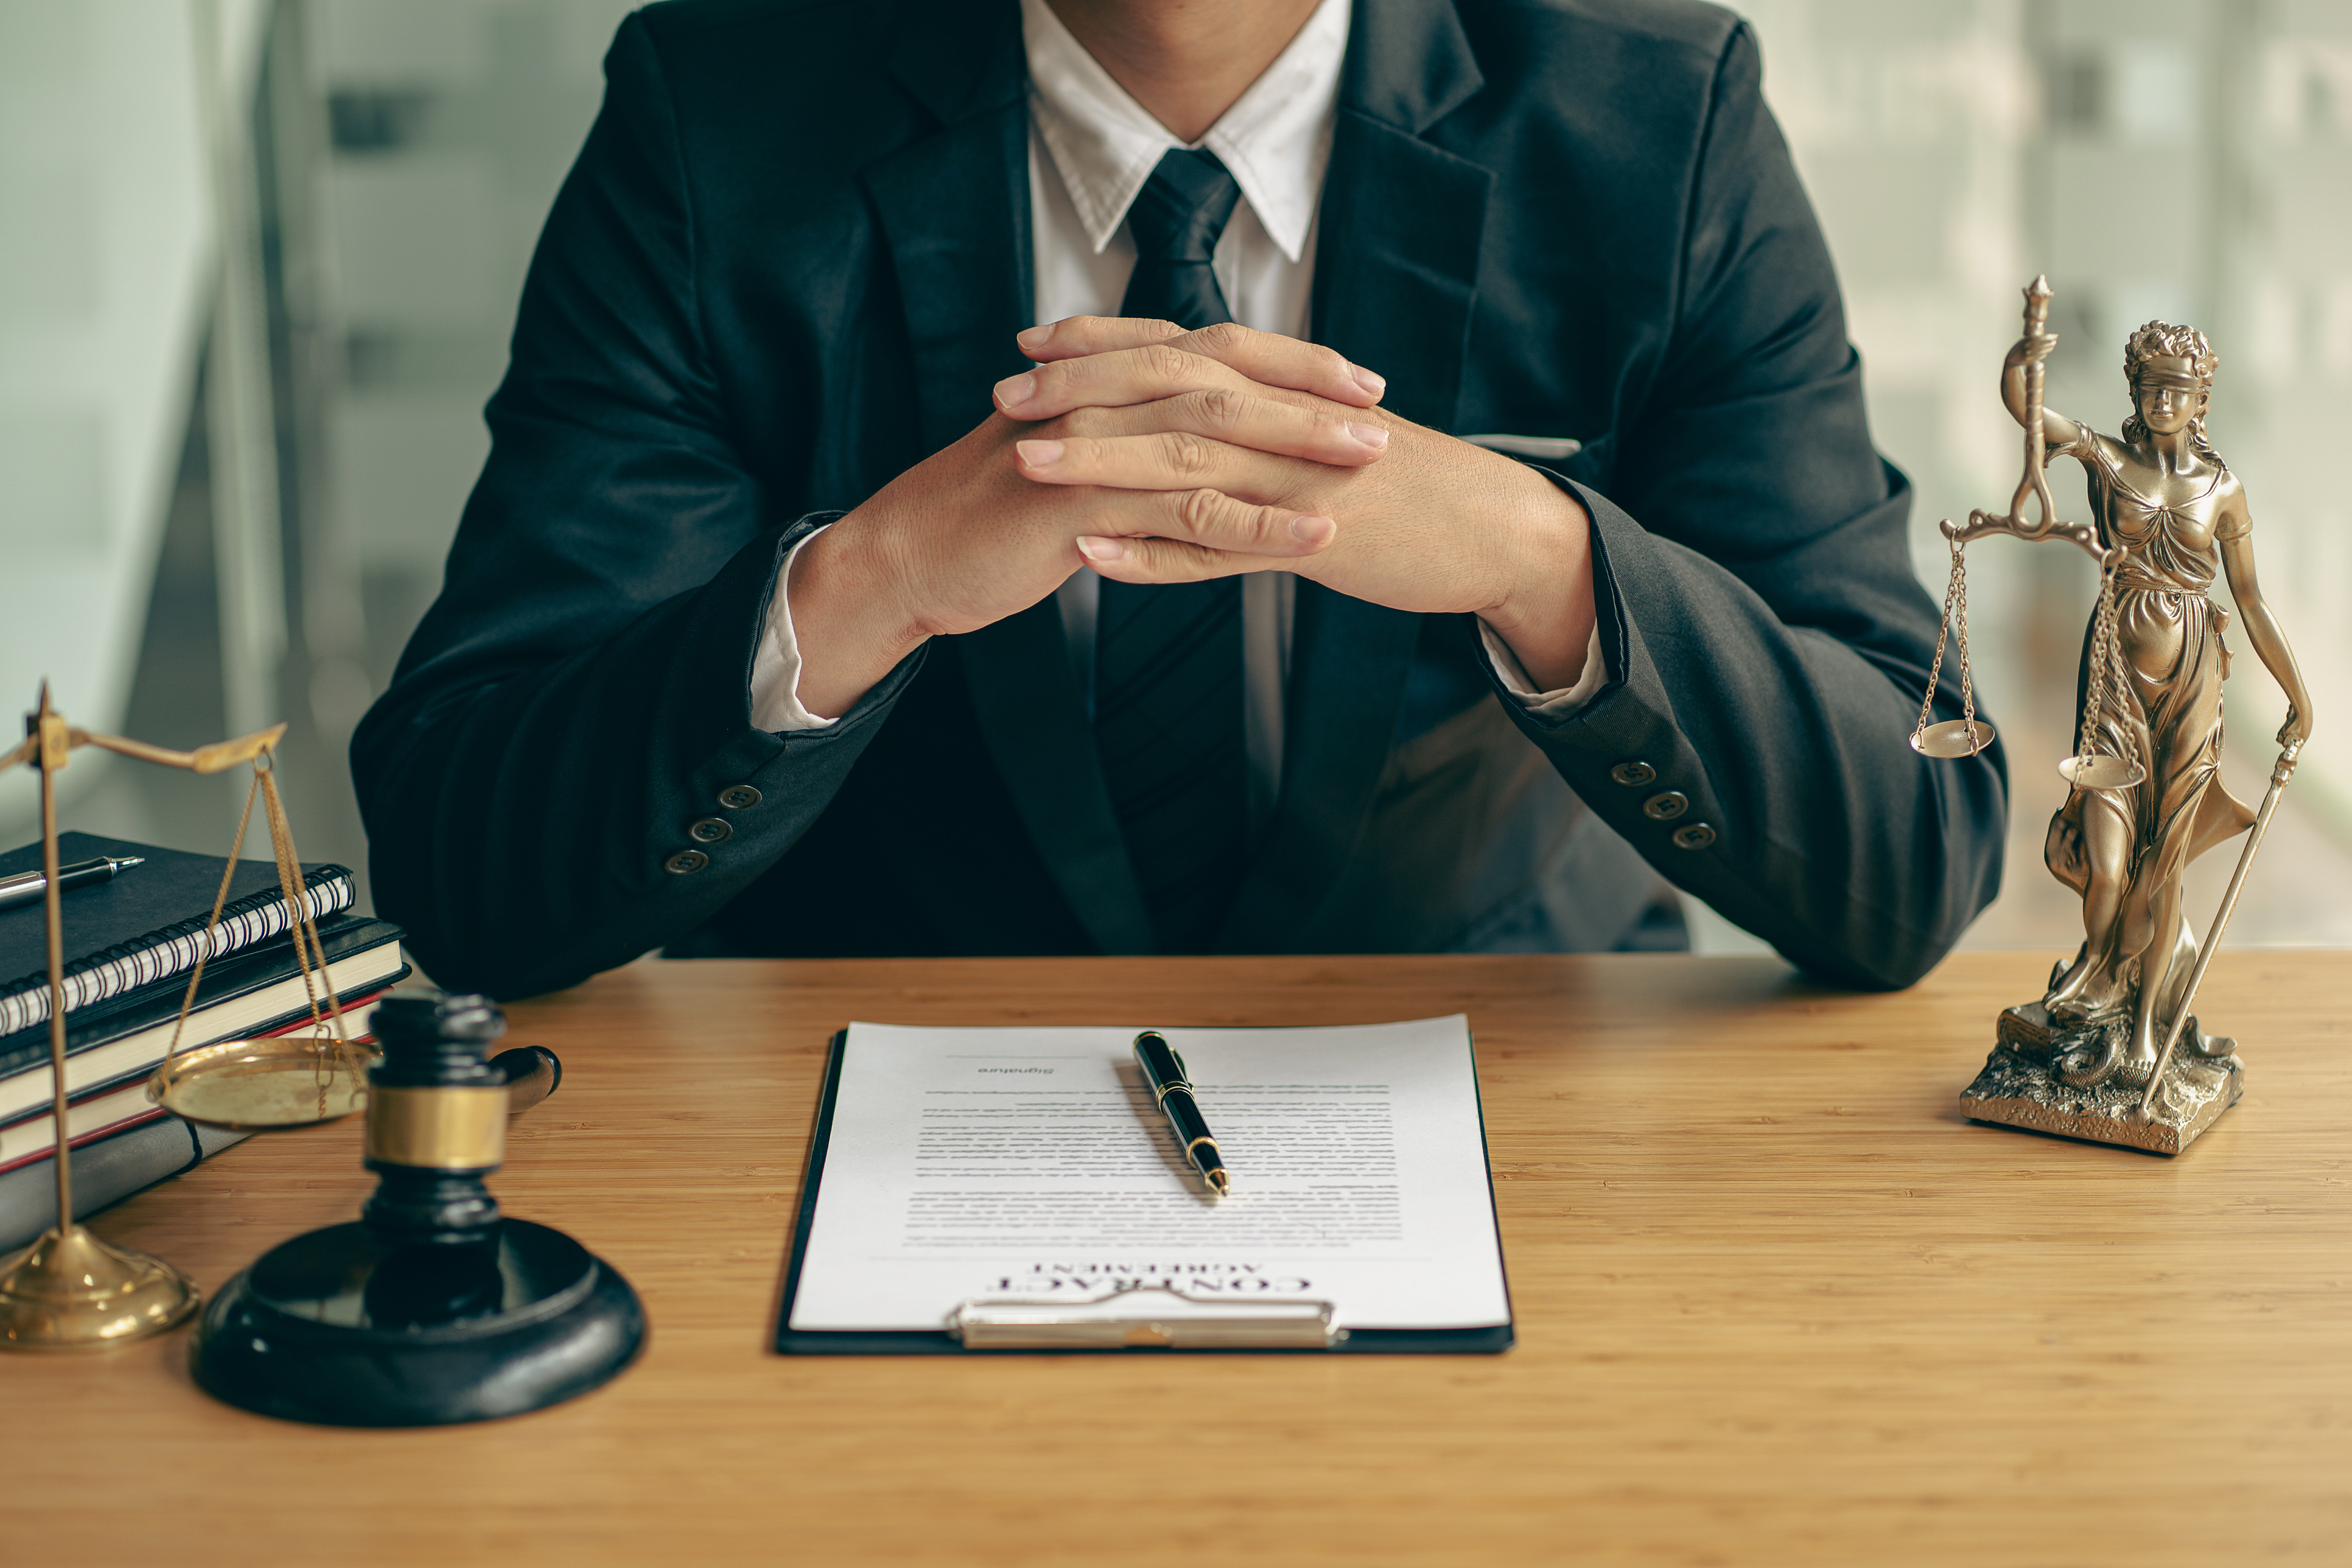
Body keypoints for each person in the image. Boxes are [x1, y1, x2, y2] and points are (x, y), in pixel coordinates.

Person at [351, 0, 2007, 999]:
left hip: (1501, 1073)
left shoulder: (1658, 120)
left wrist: (1537, 560)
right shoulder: (714, 122)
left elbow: (1917, 845)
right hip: (864, 1093)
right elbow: (467, 864)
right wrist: (875, 578)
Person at [2009, 321, 2311, 1080]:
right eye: (2151, 386)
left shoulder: (2224, 489)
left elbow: (2251, 599)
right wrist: (2022, 362)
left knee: (2168, 857)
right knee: (2109, 865)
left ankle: (2145, 1029)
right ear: (2135, 394)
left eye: (2179, 387)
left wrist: (2299, 694)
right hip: (2113, 676)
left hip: (2194, 680)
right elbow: (2030, 412)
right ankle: (2102, 976)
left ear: (2201, 395)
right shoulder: (2111, 462)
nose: (2164, 398)